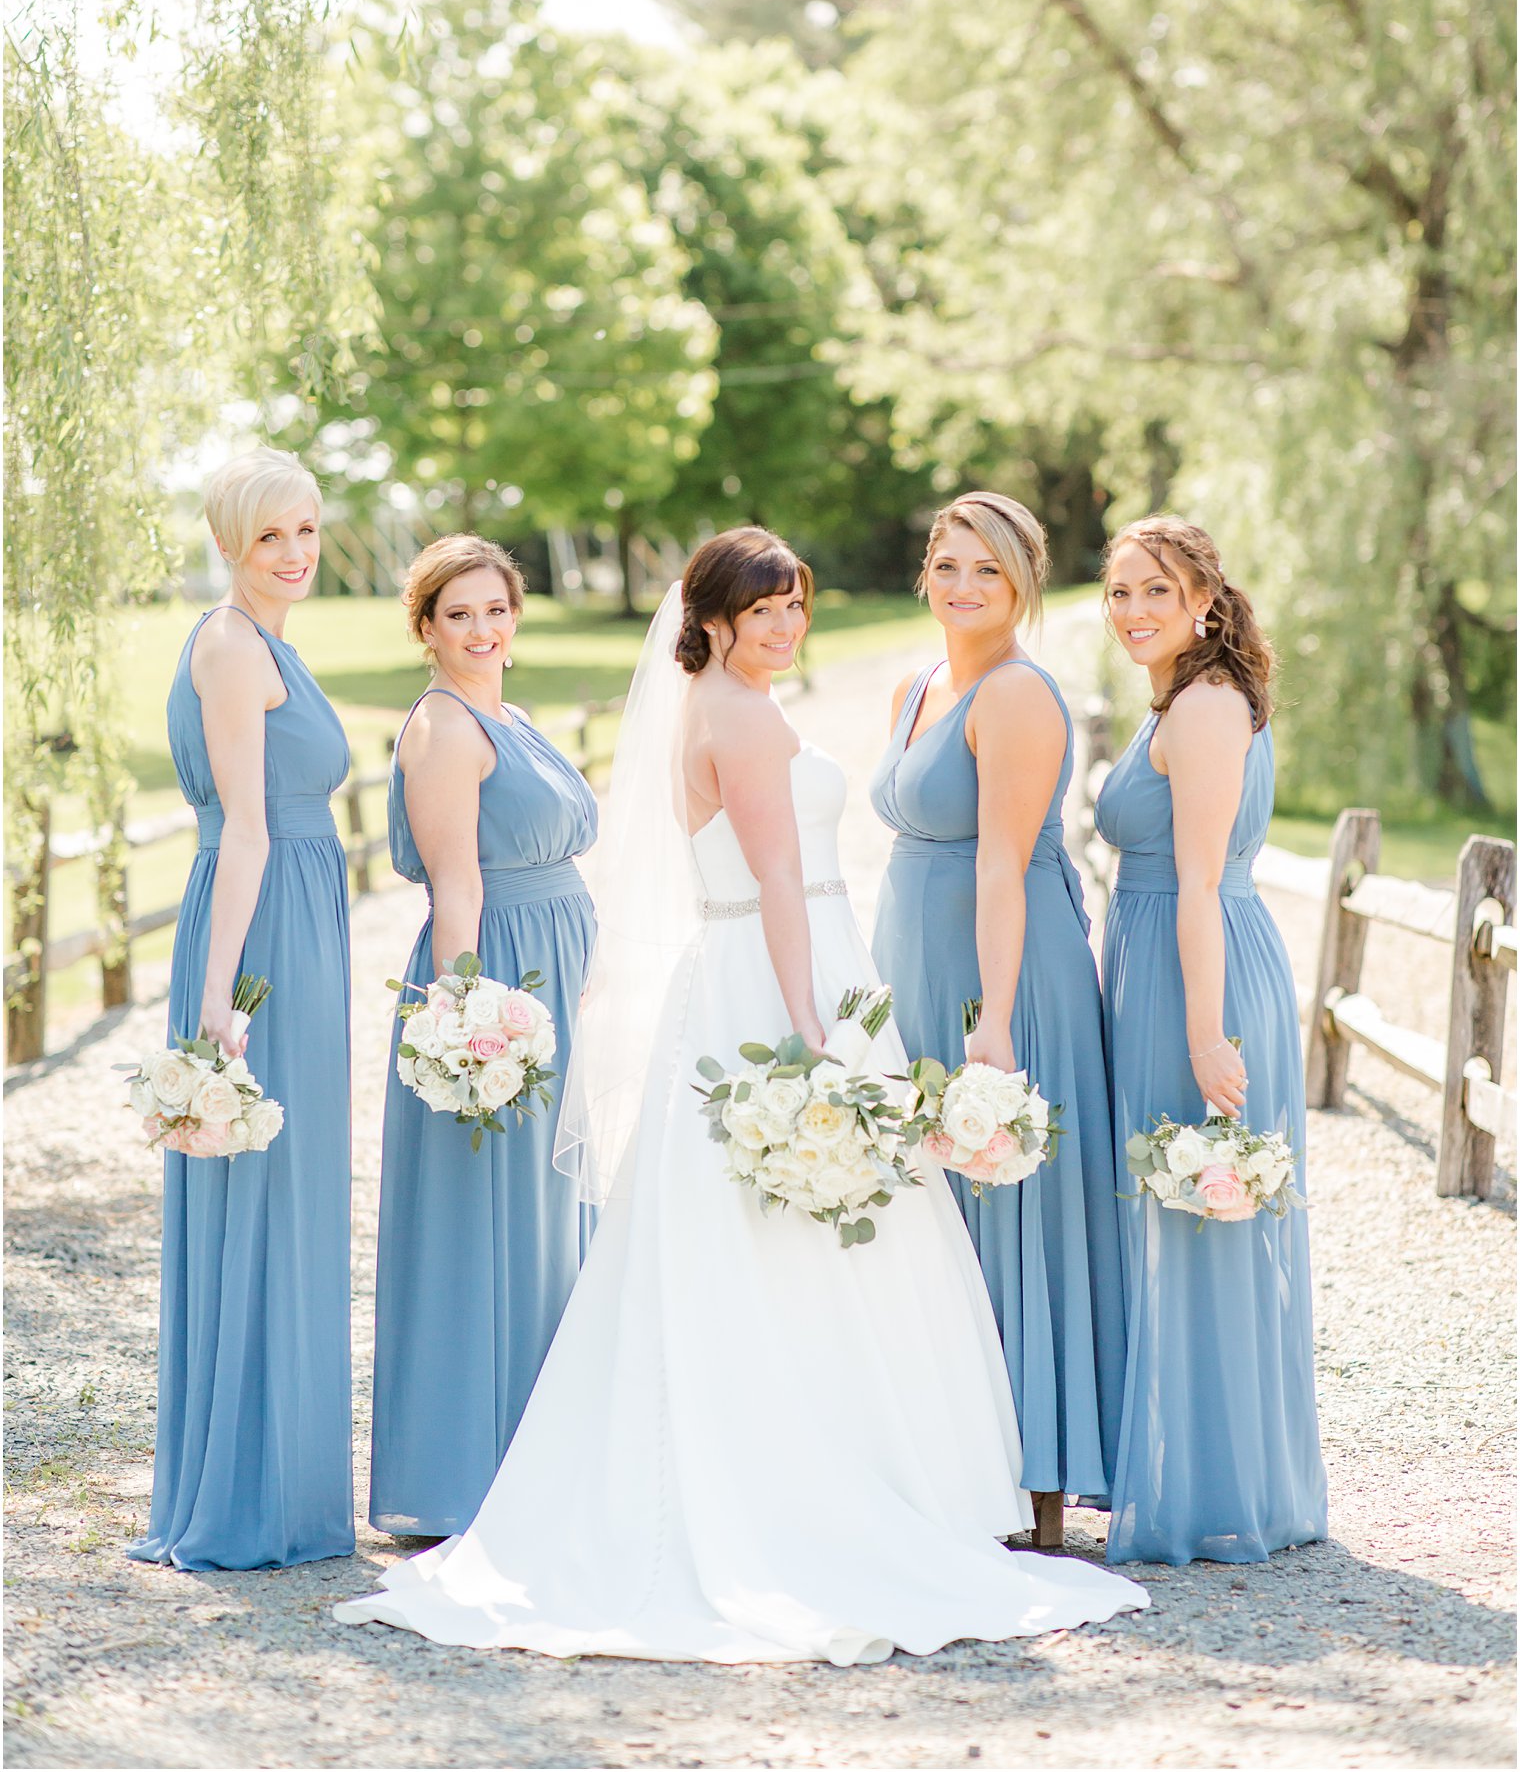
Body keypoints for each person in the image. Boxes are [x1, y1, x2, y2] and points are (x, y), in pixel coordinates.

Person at [336, 527, 1148, 1659]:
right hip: (780, 978)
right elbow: (776, 874)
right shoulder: (745, 715)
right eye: (760, 609)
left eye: (793, 607)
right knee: (806, 1226)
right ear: (709, 618)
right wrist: (813, 1027)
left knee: (727, 1230)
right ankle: (823, 1486)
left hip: (738, 972)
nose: (783, 626)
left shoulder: (704, 706)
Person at [870, 493, 1126, 1542]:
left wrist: (993, 1022)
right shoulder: (916, 684)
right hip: (914, 963)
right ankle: (939, 1458)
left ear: (1021, 580)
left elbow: (1001, 865)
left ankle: (1036, 1482)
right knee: (927, 1211)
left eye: (988, 568)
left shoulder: (1016, 695)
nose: (963, 586)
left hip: (1000, 974)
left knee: (1008, 1204)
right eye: (946, 564)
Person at [130, 446, 353, 1571]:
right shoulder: (227, 646)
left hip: (301, 922)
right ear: (229, 542)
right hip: (259, 933)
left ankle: (289, 1480)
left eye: (307, 530)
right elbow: (247, 829)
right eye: (272, 535)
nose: (296, 553)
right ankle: (246, 1494)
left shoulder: (271, 640)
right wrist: (220, 999)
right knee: (263, 1189)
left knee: (299, 1188)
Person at [1096, 515, 1328, 1565]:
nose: (1133, 610)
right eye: (1117, 593)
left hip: (1197, 973)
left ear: (1201, 597)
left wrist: (1200, 1033)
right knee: (1186, 1219)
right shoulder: (1187, 696)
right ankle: (1206, 1470)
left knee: (1200, 1213)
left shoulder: (1200, 706)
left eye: (1154, 590)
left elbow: (1195, 880)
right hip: (1170, 959)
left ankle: (1210, 1490)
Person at [369, 535, 598, 1539]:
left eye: (494, 609)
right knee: (490, 1219)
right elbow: (457, 888)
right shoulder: (445, 729)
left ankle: (547, 1453)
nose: (479, 629)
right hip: (500, 977)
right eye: (456, 614)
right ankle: (470, 1469)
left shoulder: (518, 716)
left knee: (552, 1219)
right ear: (425, 628)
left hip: (561, 965)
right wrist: (465, 1019)